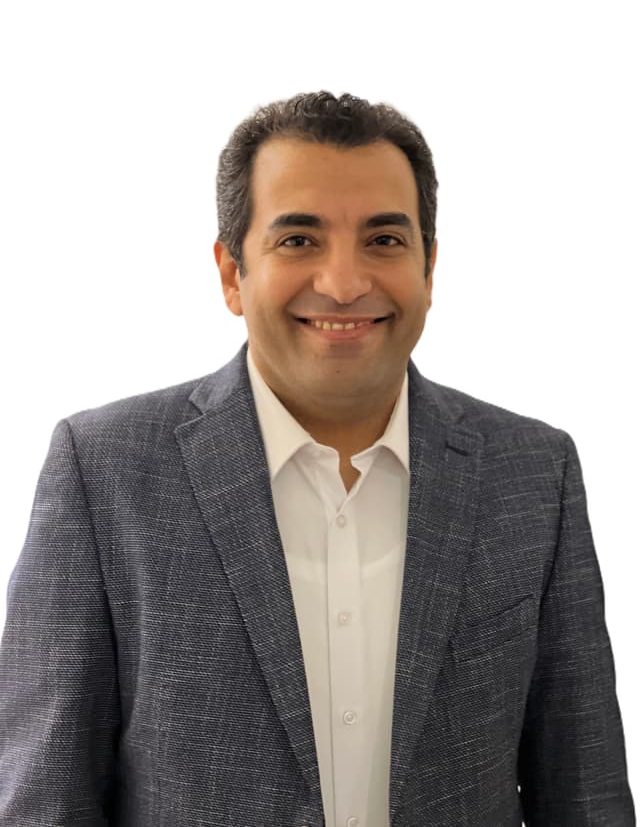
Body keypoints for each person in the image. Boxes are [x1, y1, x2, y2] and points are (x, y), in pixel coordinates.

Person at [0, 91, 635, 827]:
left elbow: (586, 796)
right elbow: (42, 803)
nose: (344, 282)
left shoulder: (533, 474)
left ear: (429, 267)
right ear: (232, 273)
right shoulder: (104, 471)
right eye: (299, 240)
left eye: (383, 239)